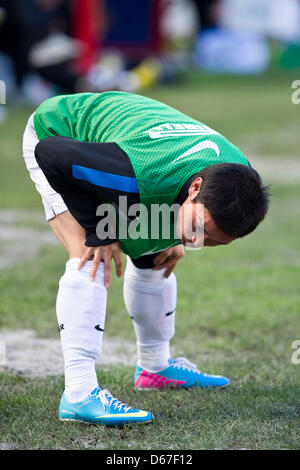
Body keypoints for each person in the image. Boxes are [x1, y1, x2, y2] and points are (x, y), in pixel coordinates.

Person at [22, 91, 270, 426]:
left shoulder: (237, 185)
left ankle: (155, 366)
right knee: (89, 255)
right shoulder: (132, 176)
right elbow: (52, 154)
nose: (198, 241)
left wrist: (174, 234)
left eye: (214, 243)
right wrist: (100, 231)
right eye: (199, 229)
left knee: (157, 256)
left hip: (136, 158)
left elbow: (185, 216)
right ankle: (78, 394)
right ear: (195, 187)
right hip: (59, 131)